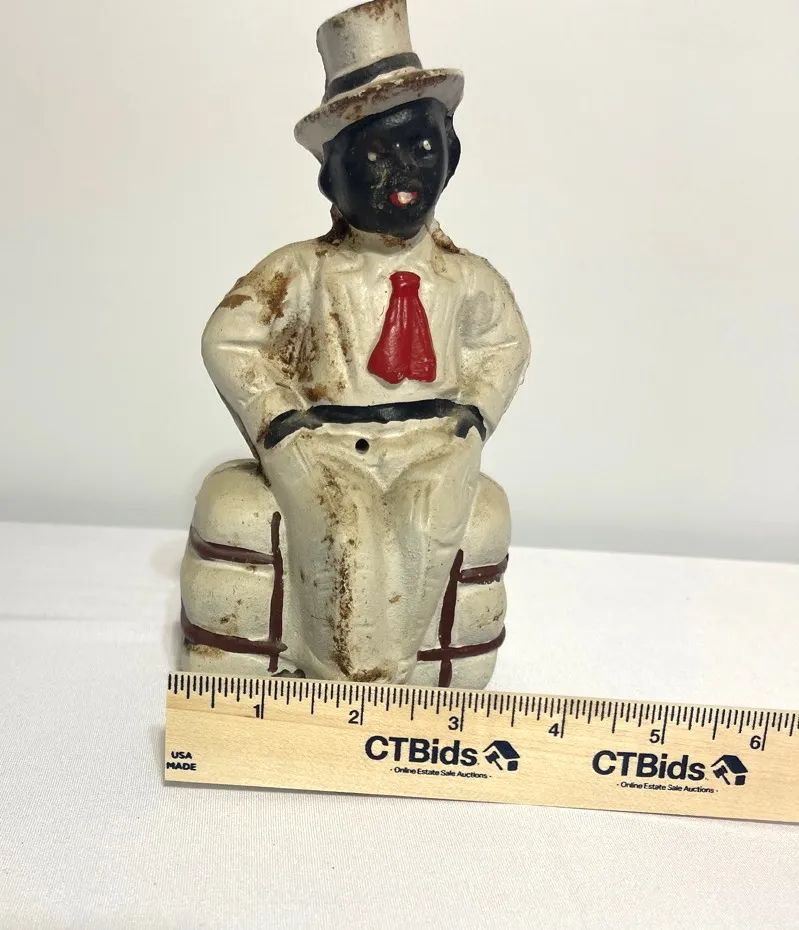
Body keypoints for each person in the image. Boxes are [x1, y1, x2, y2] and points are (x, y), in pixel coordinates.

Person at [180, 0, 530, 688]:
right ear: (330, 177)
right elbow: (230, 337)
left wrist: (473, 415)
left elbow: (504, 345)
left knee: (429, 527)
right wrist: (279, 421)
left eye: (421, 149)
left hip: (433, 441)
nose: (402, 173)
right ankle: (347, 683)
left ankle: (392, 681)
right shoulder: (300, 270)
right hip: (326, 442)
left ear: (452, 157)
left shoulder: (467, 278)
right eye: (373, 155)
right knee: (344, 532)